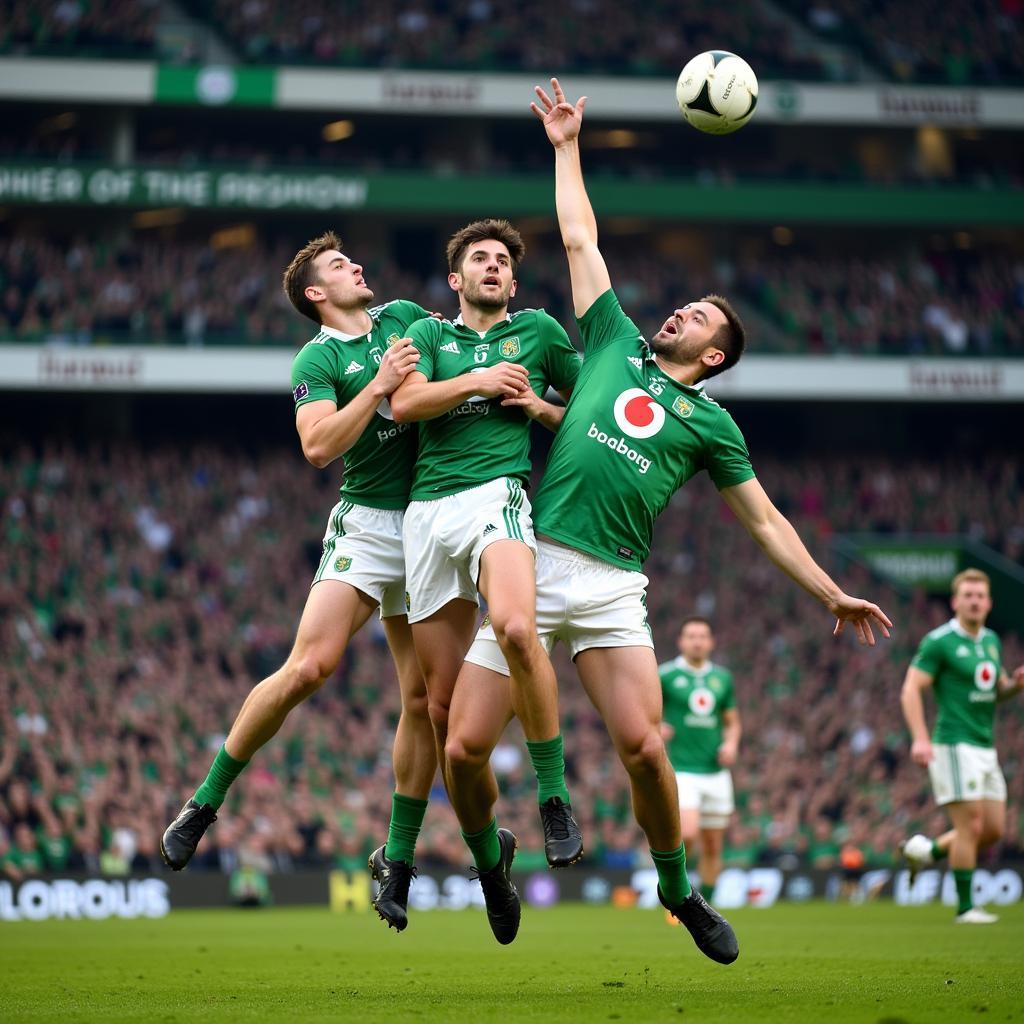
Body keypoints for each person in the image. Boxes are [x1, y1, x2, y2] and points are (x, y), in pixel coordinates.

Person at [440, 78, 892, 961]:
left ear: (714, 354)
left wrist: (831, 593)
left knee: (648, 751)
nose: (679, 311)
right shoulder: (611, 341)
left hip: (611, 582)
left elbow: (763, 523)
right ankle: (492, 860)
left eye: (700, 318)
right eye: (683, 305)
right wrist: (567, 146)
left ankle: (680, 892)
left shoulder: (713, 424)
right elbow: (580, 235)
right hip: (530, 559)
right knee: (461, 753)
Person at [160, 233, 438, 932]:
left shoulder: (406, 317)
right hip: (371, 525)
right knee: (311, 666)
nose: (358, 267)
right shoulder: (321, 357)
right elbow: (316, 447)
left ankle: (396, 858)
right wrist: (377, 386)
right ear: (316, 293)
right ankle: (204, 800)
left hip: (431, 521)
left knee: (424, 698)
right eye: (341, 267)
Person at [375, 219, 583, 937]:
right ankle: (490, 862)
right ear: (456, 280)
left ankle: (554, 797)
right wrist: (480, 380)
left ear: (514, 283)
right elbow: (403, 405)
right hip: (428, 515)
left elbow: (590, 418)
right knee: (439, 716)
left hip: (499, 495)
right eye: (478, 260)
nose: (492, 267)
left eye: (502, 261)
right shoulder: (430, 338)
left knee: (520, 628)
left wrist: (538, 406)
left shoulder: (541, 333)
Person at [899, 568, 1023, 924]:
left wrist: (1014, 685)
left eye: (979, 596)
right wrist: (920, 738)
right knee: (970, 826)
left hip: (986, 745)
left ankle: (925, 851)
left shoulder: (991, 642)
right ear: (955, 601)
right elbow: (911, 688)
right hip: (953, 744)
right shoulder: (939, 641)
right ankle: (965, 908)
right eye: (967, 595)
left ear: (988, 603)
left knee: (994, 830)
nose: (974, 601)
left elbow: (993, 691)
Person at [659, 617, 740, 903]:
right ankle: (676, 893)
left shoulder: (722, 678)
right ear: (681, 641)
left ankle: (708, 905)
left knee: (714, 846)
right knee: (688, 834)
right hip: (681, 769)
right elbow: (645, 710)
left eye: (702, 636)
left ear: (711, 642)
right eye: (691, 635)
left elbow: (732, 722)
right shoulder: (666, 675)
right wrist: (656, 726)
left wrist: (731, 744)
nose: (697, 641)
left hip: (716, 772)